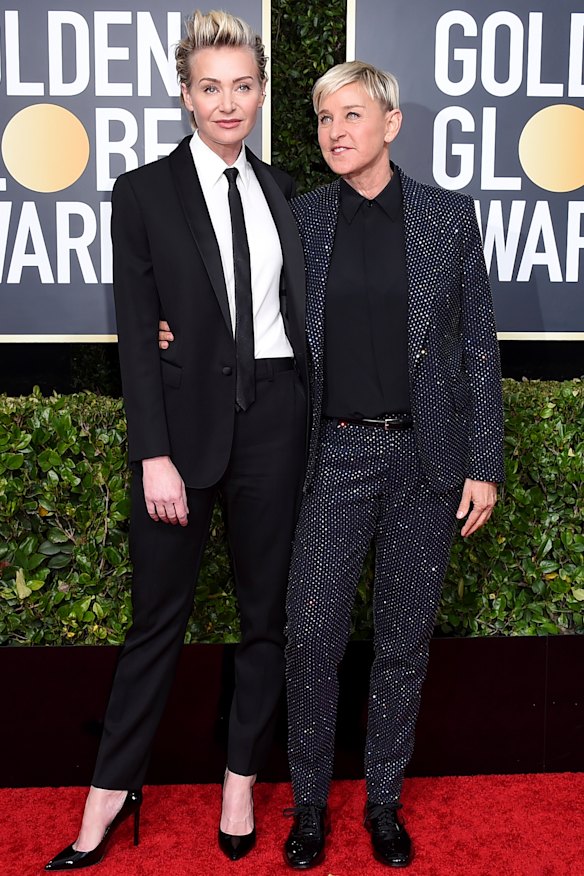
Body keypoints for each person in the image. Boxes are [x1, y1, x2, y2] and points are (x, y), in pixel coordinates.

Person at [45, 10, 307, 870]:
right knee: (157, 621)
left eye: (242, 86)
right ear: (185, 96)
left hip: (276, 416)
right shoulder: (143, 192)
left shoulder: (279, 193)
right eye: (209, 87)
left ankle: (239, 781)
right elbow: (135, 332)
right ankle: (108, 795)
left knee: (265, 619)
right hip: (182, 434)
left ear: (260, 93)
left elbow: (295, 318)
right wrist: (151, 452)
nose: (227, 102)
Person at [281, 61, 505, 869]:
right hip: (331, 454)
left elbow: (478, 343)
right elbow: (245, 314)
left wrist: (483, 460)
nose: (335, 131)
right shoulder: (299, 220)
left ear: (391, 123)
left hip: (425, 457)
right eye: (323, 118)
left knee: (404, 644)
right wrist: (176, 333)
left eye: (351, 115)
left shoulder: (448, 219)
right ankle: (309, 807)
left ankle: (383, 802)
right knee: (310, 638)